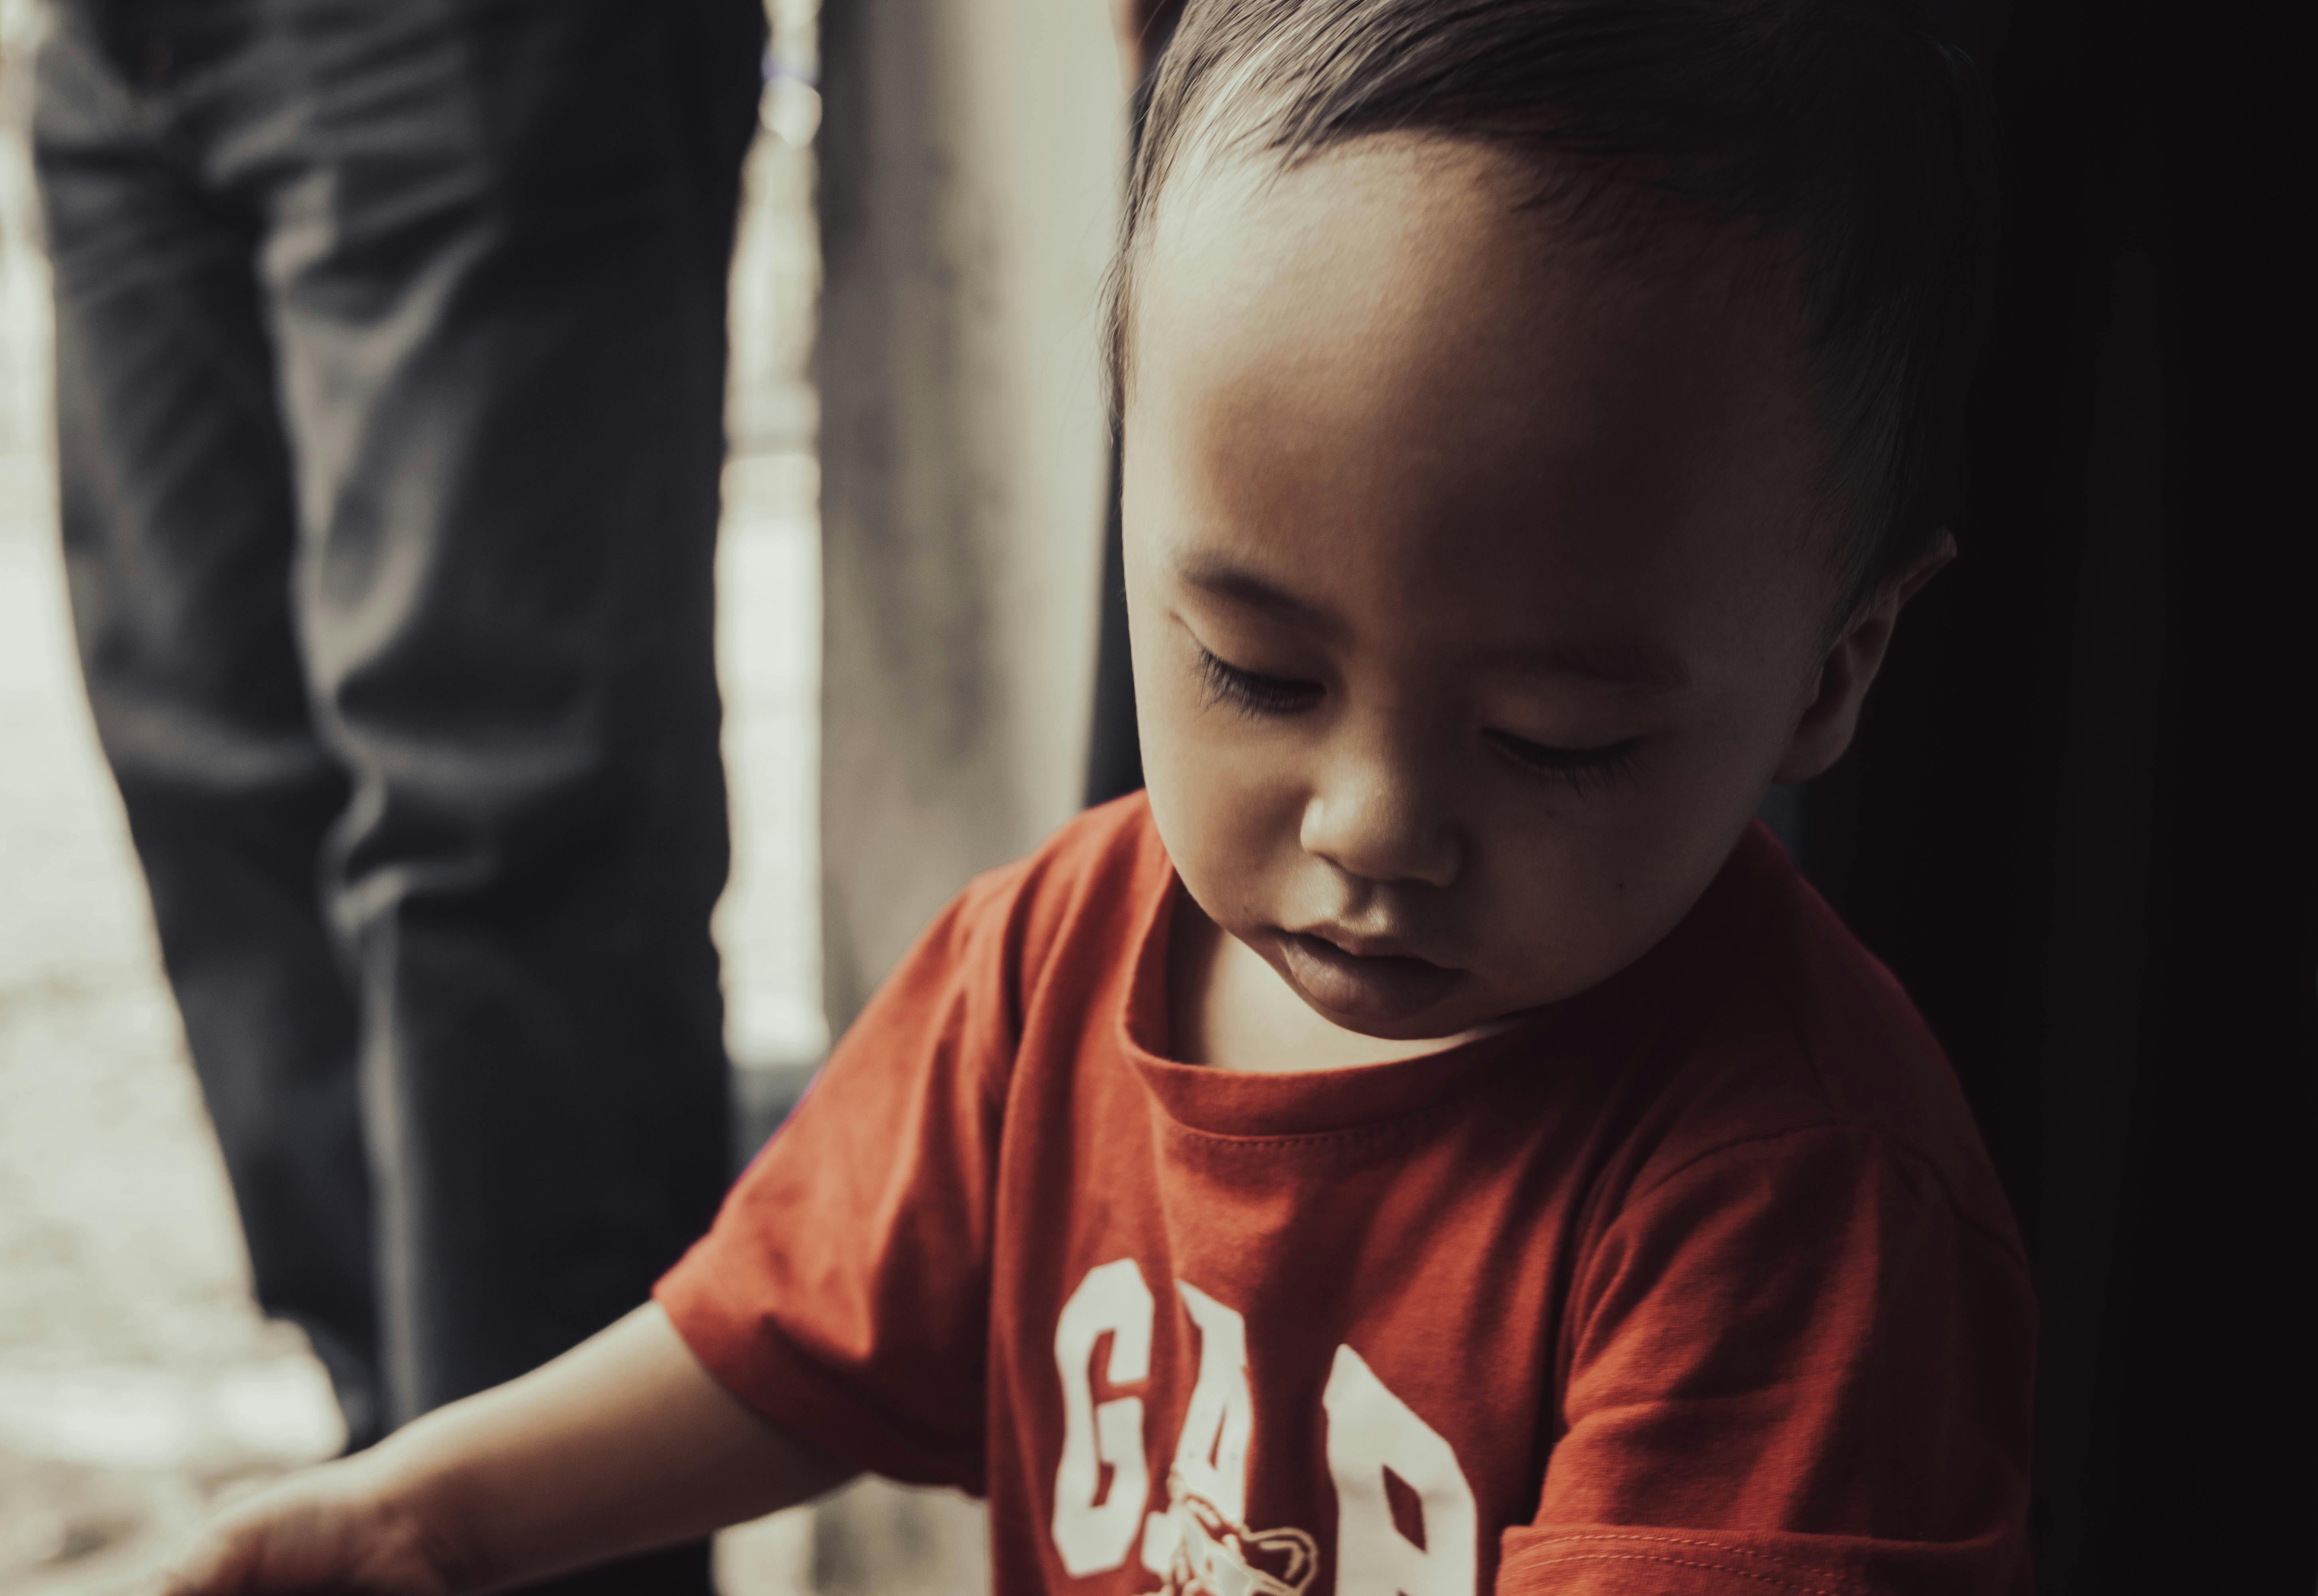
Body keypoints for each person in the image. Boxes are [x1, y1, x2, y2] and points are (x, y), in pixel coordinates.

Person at [155, 2, 2034, 1593]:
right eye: (1257, 671)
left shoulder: (1795, 1207)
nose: (1372, 822)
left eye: (1553, 736)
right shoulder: (1052, 964)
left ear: (1835, 663)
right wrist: (415, 1515)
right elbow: (784, 1343)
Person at [34, 2, 762, 1591]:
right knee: (220, 801)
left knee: (500, 852)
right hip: (115, 51)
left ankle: (543, 1550)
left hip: (463, 41)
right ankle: (380, 1503)